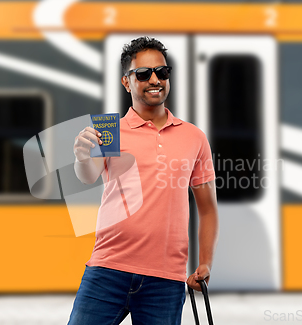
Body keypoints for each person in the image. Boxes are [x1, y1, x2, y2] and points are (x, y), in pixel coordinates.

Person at [70, 36, 219, 325]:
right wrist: (80, 156)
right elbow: (88, 176)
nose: (155, 80)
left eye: (162, 72)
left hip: (165, 280)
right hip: (107, 270)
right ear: (126, 82)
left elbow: (208, 208)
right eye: (143, 74)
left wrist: (205, 261)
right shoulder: (109, 129)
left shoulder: (194, 137)